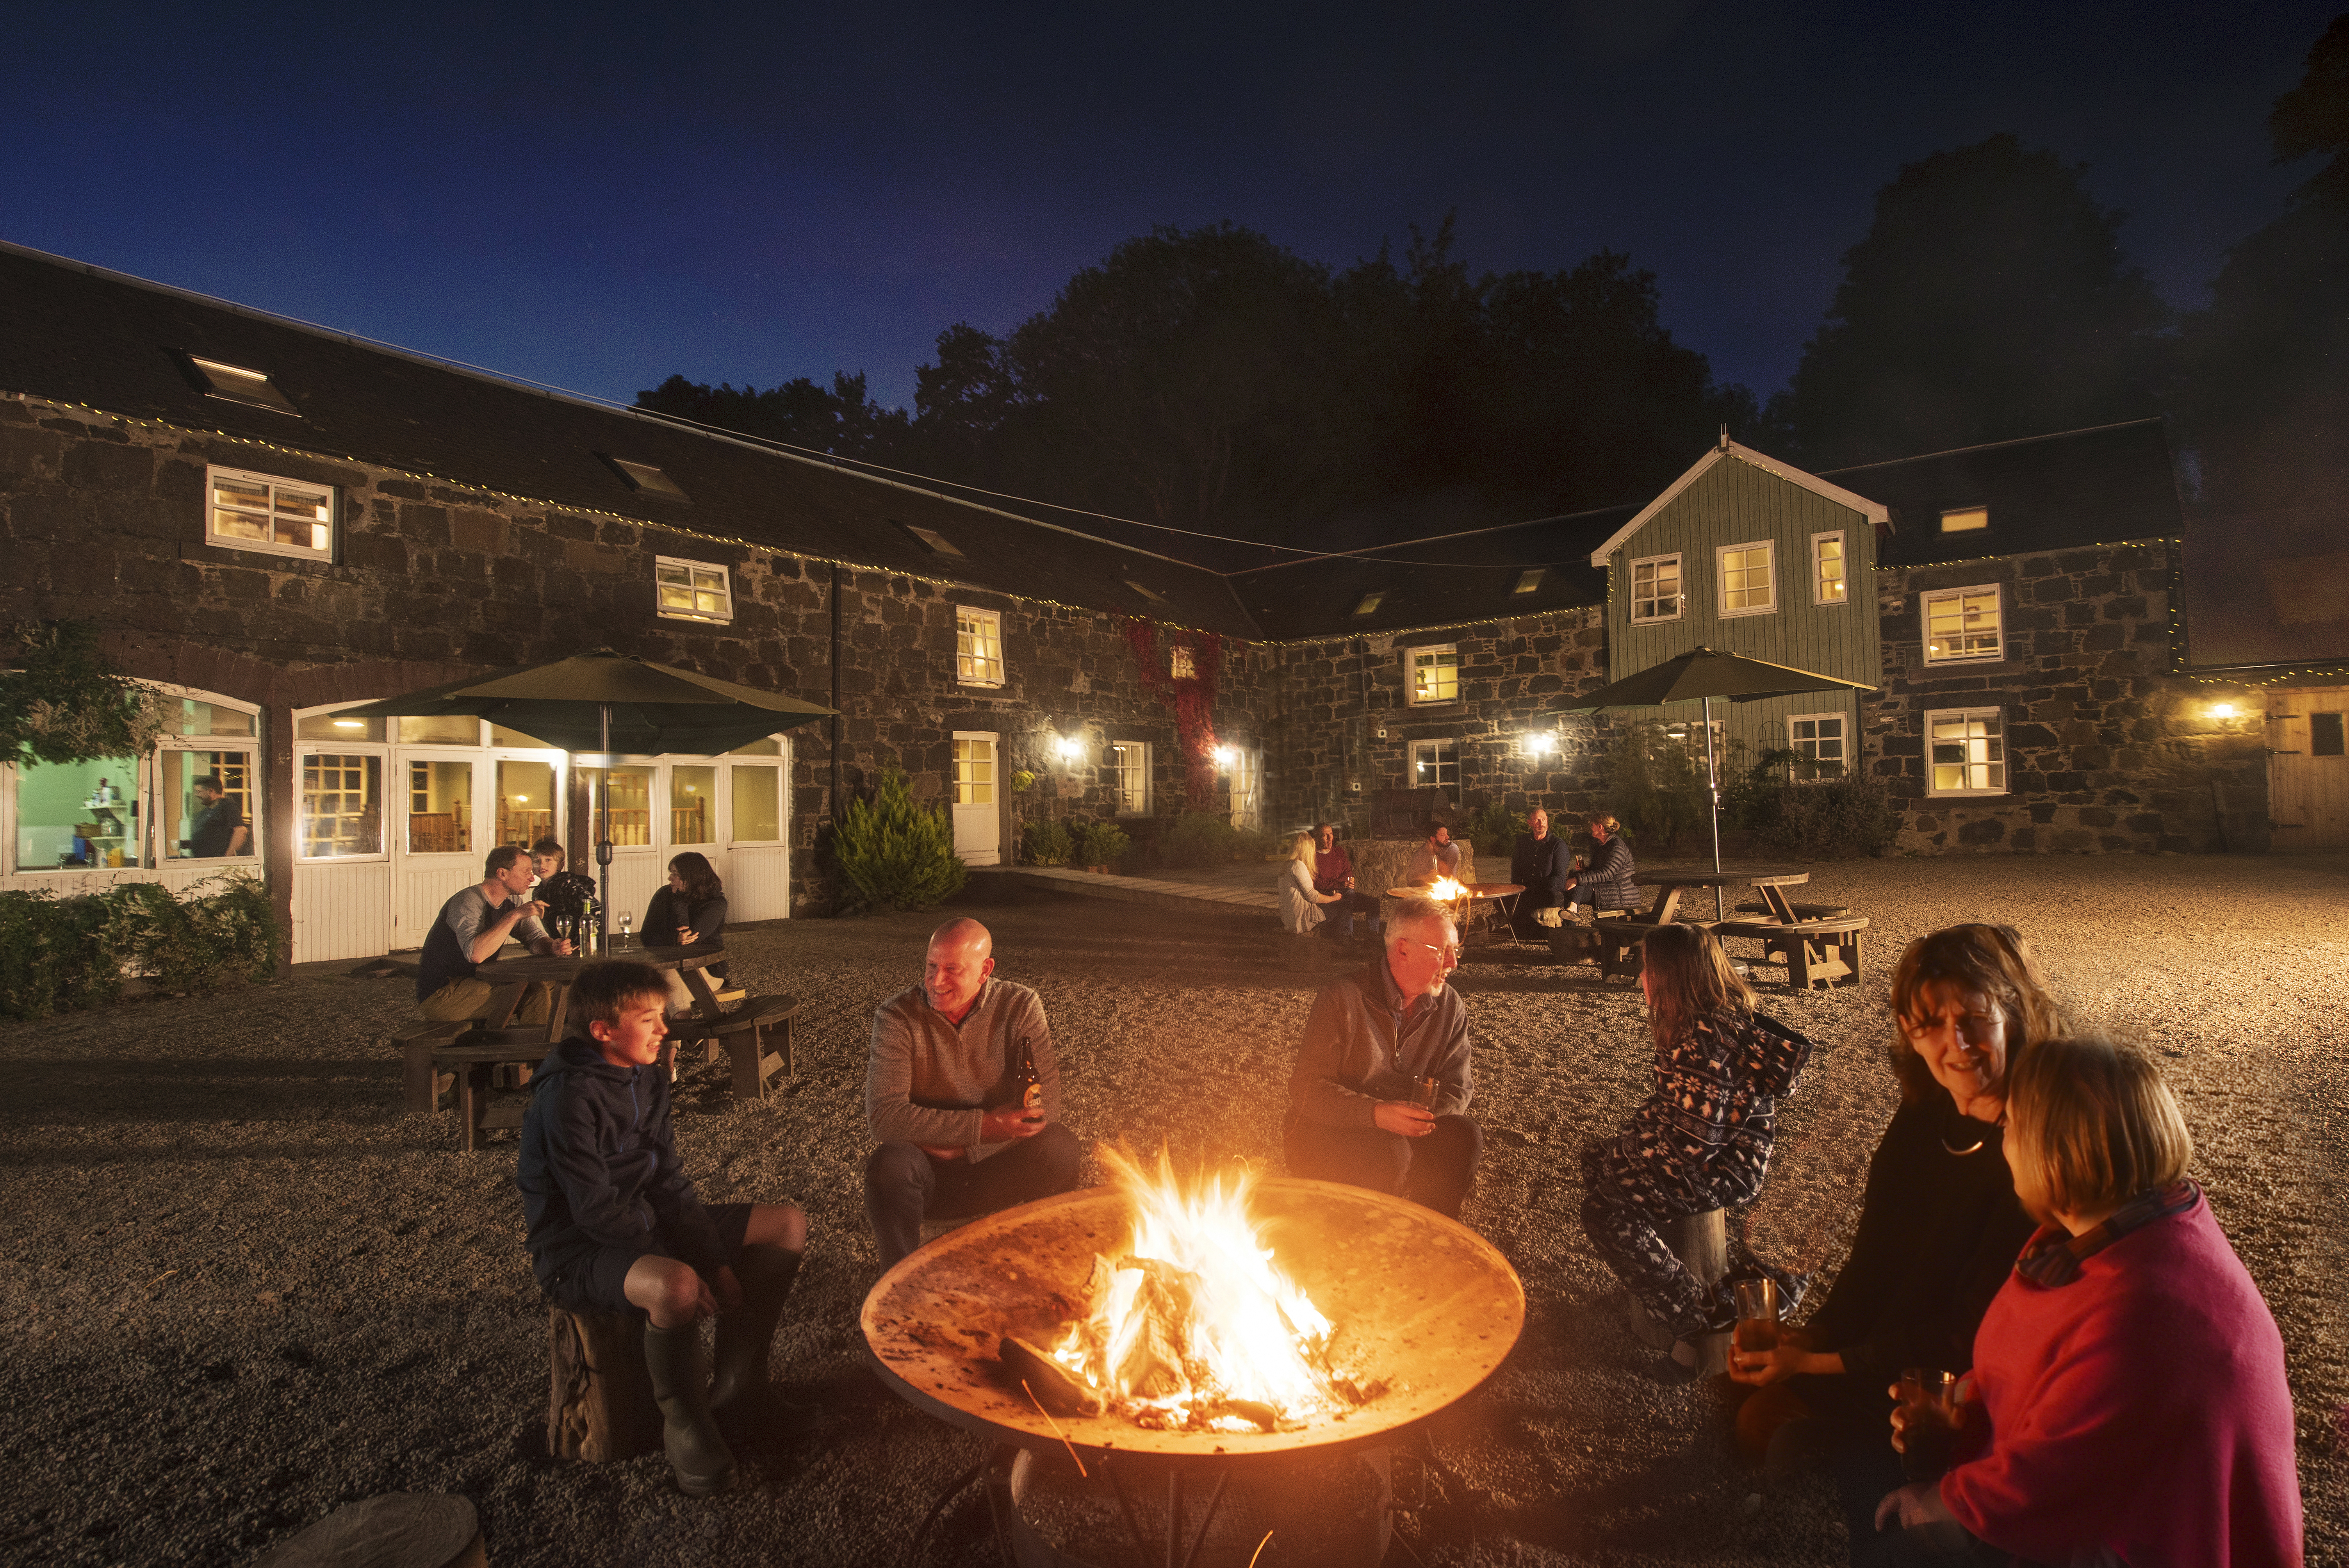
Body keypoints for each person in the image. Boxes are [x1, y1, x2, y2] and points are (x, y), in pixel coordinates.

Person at [1864, 1037, 2302, 1568]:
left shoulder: (2141, 1311)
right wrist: (1966, 1406)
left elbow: (2041, 1486)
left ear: (2059, 1149)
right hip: (2119, 1502)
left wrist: (1934, 1505)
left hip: (2147, 1542)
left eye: (2011, 1127)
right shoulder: (2123, 1231)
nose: (2003, 1144)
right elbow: (2046, 1372)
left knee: (1889, 1548)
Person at [1730, 925, 2061, 1545]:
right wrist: (1815, 1335)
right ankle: (1820, 1428)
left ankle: (1846, 1445)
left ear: (2013, 1013)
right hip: (1879, 1344)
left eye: (1973, 1019)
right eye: (1928, 1024)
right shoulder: (1926, 1110)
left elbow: (1975, 1333)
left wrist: (1823, 1362)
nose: (1954, 1045)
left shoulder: (2034, 1148)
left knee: (1884, 1500)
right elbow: (1874, 1256)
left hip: (1953, 1383)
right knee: (1742, 1395)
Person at [518, 960, 813, 1497]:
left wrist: (717, 1263)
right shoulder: (566, 1097)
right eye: (650, 1019)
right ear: (603, 1031)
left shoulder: (647, 1075)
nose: (664, 1030)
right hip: (578, 1251)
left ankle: (740, 1390)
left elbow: (668, 1180)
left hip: (643, 1223)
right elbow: (593, 1210)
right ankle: (686, 1424)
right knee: (674, 1285)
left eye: (663, 1017)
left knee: (787, 1224)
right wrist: (684, 1267)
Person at [1580, 923, 1814, 1376]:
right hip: (1709, 1153)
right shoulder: (1699, 1023)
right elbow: (1673, 1112)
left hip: (1727, 1167)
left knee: (1604, 1211)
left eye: (1646, 968)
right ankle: (1654, 1280)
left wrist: (1625, 1156)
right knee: (1599, 1162)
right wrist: (1623, 1149)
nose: (1640, 978)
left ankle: (1696, 1321)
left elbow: (1692, 1145)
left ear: (1671, 975)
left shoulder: (1707, 1041)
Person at [864, 918, 1083, 1270]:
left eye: (952, 970)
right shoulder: (897, 1016)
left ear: (985, 970)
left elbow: (1047, 1106)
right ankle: (898, 1278)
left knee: (1060, 1146)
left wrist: (967, 1146)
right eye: (931, 966)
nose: (936, 981)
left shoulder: (1019, 1005)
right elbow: (885, 1117)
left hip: (998, 1168)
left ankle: (1047, 1263)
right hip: (931, 1178)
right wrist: (988, 1126)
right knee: (890, 1166)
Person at [1284, 894, 1481, 1219]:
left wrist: (1416, 1118)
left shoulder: (1449, 1006)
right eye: (1444, 952)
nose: (1454, 963)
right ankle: (1366, 1242)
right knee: (1389, 1154)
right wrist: (1377, 1114)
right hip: (1336, 1127)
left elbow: (1458, 1088)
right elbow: (1306, 1089)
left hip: (1409, 1125)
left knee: (1464, 1136)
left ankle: (1428, 1233)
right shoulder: (1343, 998)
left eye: (1456, 951)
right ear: (1403, 949)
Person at [415, 845, 573, 1025]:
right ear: (502, 874)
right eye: (526, 872)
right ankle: (531, 1051)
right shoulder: (468, 901)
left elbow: (534, 939)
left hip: (479, 982)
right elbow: (476, 954)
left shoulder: (511, 900)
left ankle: (553, 1042)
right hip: (444, 993)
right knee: (534, 992)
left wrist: (553, 946)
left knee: (557, 984)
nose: (532, 877)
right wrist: (514, 916)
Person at [644, 850, 731, 1008]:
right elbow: (646, 936)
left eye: (675, 874)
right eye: (671, 873)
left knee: (670, 991)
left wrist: (679, 899)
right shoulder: (664, 895)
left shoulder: (716, 904)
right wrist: (673, 939)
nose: (670, 878)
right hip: (667, 966)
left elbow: (687, 941)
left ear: (691, 878)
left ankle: (682, 1027)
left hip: (706, 970)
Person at [1310, 821, 1381, 943]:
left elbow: (1348, 874)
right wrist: (1339, 884)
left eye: (1331, 834)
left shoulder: (1339, 852)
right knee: (1346, 903)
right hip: (1328, 897)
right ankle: (1347, 936)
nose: (1330, 838)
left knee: (1373, 903)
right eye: (1325, 835)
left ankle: (1373, 934)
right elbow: (1318, 883)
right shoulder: (1313, 857)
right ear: (1316, 839)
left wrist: (1343, 884)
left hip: (1345, 893)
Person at [1558, 813, 1635, 921]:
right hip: (1604, 888)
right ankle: (1571, 919)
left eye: (1593, 825)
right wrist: (1585, 870)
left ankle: (1573, 912)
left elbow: (1607, 873)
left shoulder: (1617, 847)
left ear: (1600, 827)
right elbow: (1596, 870)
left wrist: (1578, 879)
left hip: (1618, 893)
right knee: (1572, 879)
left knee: (1576, 882)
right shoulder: (1601, 845)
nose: (1591, 828)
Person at [1508, 807, 1571, 937]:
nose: (1541, 824)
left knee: (1523, 902)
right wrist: (1516, 888)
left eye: (1544, 819)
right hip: (1527, 890)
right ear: (1529, 822)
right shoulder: (1523, 842)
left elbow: (1559, 877)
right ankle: (1539, 931)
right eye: (1537, 820)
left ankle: (1495, 922)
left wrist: (1533, 887)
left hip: (1551, 892)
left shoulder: (1558, 845)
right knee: (1501, 900)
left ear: (1547, 820)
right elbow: (1516, 869)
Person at [528, 837, 600, 950]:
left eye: (548, 860)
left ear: (561, 865)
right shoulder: (538, 893)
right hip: (561, 947)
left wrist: (589, 941)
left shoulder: (569, 884)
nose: (542, 865)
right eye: (537, 861)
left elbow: (595, 908)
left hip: (584, 946)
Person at [1278, 832, 1340, 935]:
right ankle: (1340, 938)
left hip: (1289, 919)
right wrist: (1334, 898)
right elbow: (1312, 896)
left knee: (1330, 904)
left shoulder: (1287, 865)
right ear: (1307, 849)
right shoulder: (1298, 866)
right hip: (1302, 920)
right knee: (1341, 905)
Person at [184, 775, 250, 858]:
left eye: (199, 792)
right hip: (203, 862)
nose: (196, 795)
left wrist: (226, 859)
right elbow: (210, 839)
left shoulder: (227, 807)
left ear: (211, 791)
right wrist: (189, 844)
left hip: (217, 864)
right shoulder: (205, 812)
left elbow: (240, 831)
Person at [1403, 820, 1463, 886]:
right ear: (1433, 839)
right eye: (1442, 835)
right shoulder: (1421, 853)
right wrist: (1426, 878)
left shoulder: (1452, 848)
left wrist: (1432, 852)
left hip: (1448, 888)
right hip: (1428, 891)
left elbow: (1446, 871)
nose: (1447, 837)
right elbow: (1410, 879)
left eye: (1446, 833)